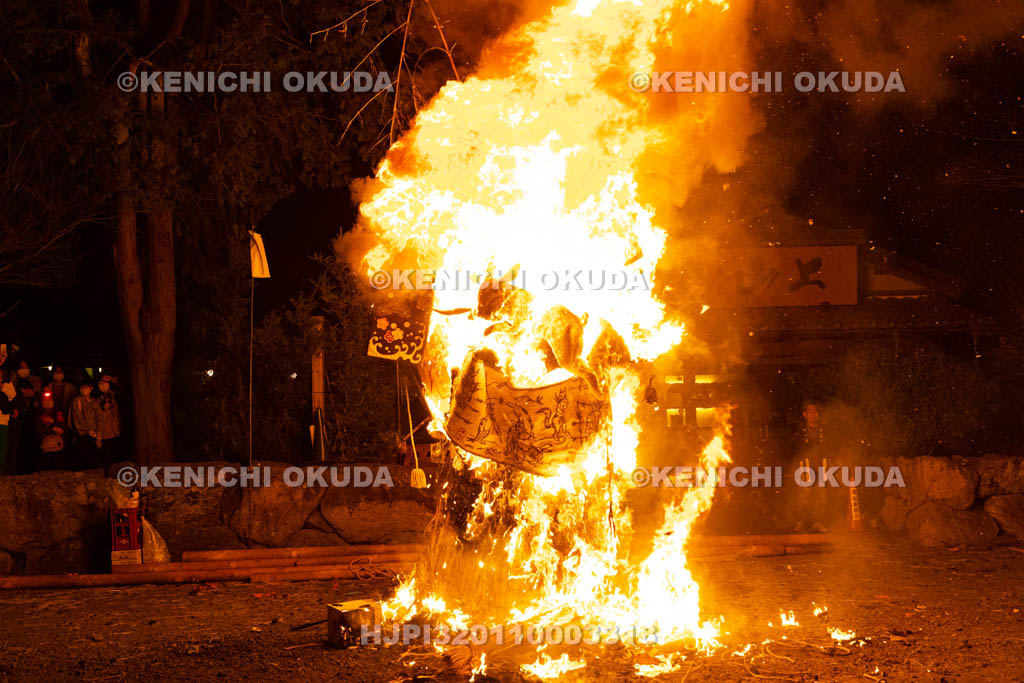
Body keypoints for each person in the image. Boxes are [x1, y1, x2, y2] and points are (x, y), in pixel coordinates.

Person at [70, 379, 101, 470]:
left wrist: (98, 431)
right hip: (83, 434)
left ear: (91, 388)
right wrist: (87, 430)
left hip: (94, 433)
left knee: (93, 456)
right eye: (81, 388)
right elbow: (77, 417)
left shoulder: (95, 401)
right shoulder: (77, 400)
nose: (83, 390)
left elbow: (99, 417)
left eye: (86, 387)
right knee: (83, 456)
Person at [34, 391, 68, 470]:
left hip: (58, 446)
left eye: (50, 400)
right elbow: (37, 429)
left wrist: (52, 422)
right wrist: (52, 429)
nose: (48, 402)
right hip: (43, 446)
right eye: (45, 401)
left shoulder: (58, 412)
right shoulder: (38, 413)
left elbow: (63, 427)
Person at [95, 375, 121, 474]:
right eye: (100, 383)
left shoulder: (115, 395)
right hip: (105, 432)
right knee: (107, 455)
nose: (103, 385)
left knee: (116, 454)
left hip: (116, 430)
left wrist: (112, 379)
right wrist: (99, 434)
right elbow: (98, 418)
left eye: (105, 383)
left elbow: (122, 388)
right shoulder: (97, 399)